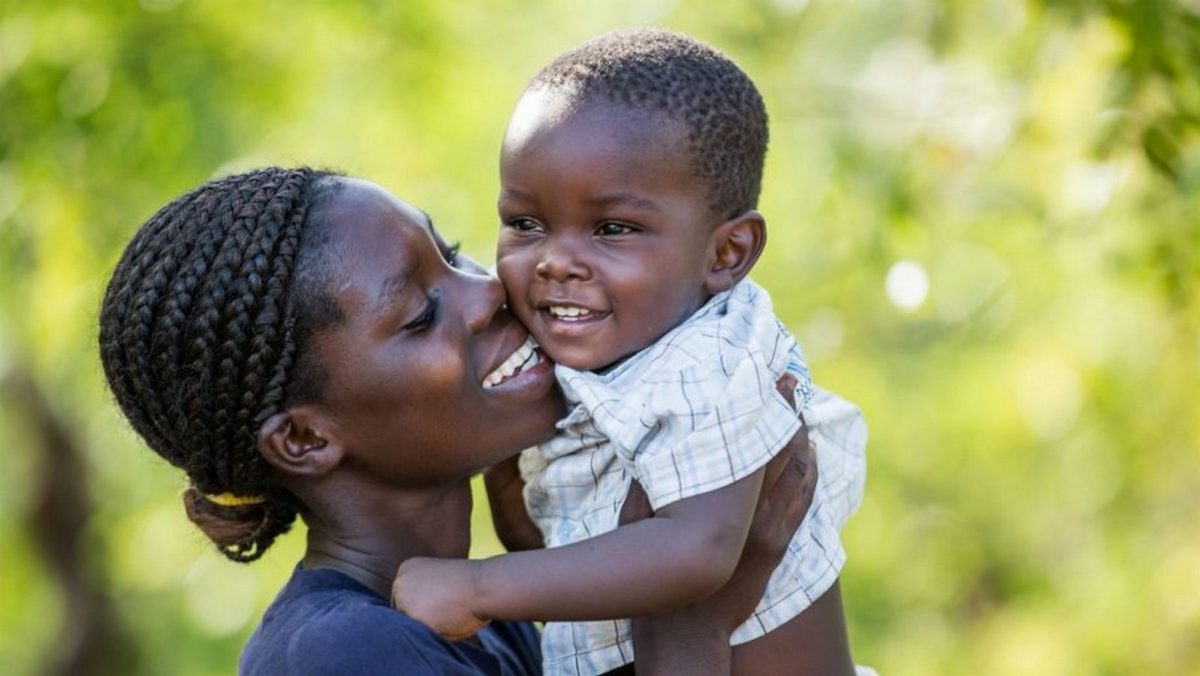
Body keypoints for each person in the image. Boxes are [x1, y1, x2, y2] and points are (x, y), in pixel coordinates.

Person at [97, 167, 826, 675]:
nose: (486, 291)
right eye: (421, 314)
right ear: (306, 439)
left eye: (449, 254)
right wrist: (698, 609)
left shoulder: (485, 610)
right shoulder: (340, 657)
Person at [390, 29, 869, 676]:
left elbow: (698, 551)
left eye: (613, 229)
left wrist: (477, 587)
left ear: (726, 254)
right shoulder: (600, 352)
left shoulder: (712, 360)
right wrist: (504, 463)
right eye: (526, 224)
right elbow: (565, 546)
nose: (557, 261)